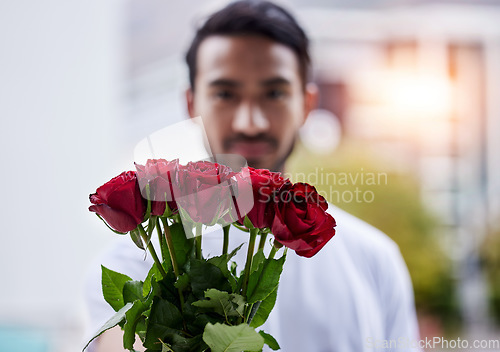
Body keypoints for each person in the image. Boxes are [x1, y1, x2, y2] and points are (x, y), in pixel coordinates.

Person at [84, 1, 422, 351]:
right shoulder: (128, 265)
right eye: (225, 94)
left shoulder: (374, 260)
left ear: (307, 105)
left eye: (274, 93)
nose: (250, 122)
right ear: (191, 105)